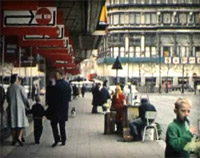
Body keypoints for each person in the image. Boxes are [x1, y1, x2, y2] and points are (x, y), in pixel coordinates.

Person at [50, 70, 71, 147]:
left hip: (55, 109)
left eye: (56, 75)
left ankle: (56, 139)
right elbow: (69, 98)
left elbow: (52, 98)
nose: (55, 77)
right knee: (62, 125)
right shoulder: (67, 85)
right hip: (64, 108)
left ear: (59, 75)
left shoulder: (55, 86)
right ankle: (63, 140)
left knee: (54, 124)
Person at [6, 74, 29, 146]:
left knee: (13, 124)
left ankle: (13, 138)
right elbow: (25, 98)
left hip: (11, 108)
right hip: (20, 108)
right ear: (16, 79)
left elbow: (7, 98)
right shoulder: (20, 87)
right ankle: (18, 137)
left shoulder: (9, 88)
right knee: (21, 123)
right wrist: (27, 105)